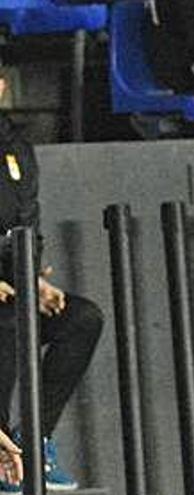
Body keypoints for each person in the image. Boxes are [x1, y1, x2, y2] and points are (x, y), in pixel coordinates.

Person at [0, 72, 104, 494]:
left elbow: (28, 224)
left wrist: (31, 282)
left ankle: (31, 441)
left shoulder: (15, 146)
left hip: (11, 287)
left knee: (81, 319)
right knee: (5, 324)